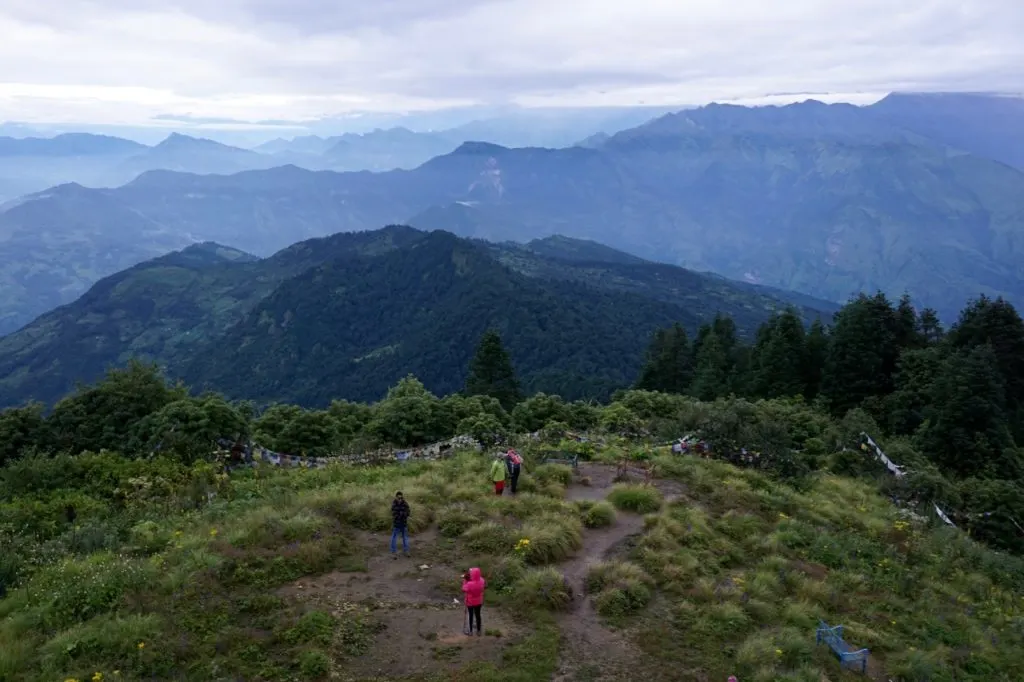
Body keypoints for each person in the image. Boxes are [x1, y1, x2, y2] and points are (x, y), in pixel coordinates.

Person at [461, 567, 486, 636]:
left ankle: (470, 631)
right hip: (479, 601)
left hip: (470, 602)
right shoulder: (482, 580)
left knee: (470, 615)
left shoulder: (469, 584)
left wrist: (465, 581)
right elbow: (482, 585)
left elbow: (463, 589)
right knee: (478, 615)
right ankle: (478, 631)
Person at [390, 491, 410, 558]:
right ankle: (393, 551)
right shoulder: (394, 504)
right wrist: (402, 514)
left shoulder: (405, 503)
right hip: (397, 524)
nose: (400, 499)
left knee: (405, 537)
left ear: (402, 497)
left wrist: (401, 514)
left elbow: (408, 512)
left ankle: (406, 551)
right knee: (394, 537)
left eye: (401, 498)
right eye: (398, 498)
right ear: (396, 497)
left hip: (403, 523)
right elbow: (393, 513)